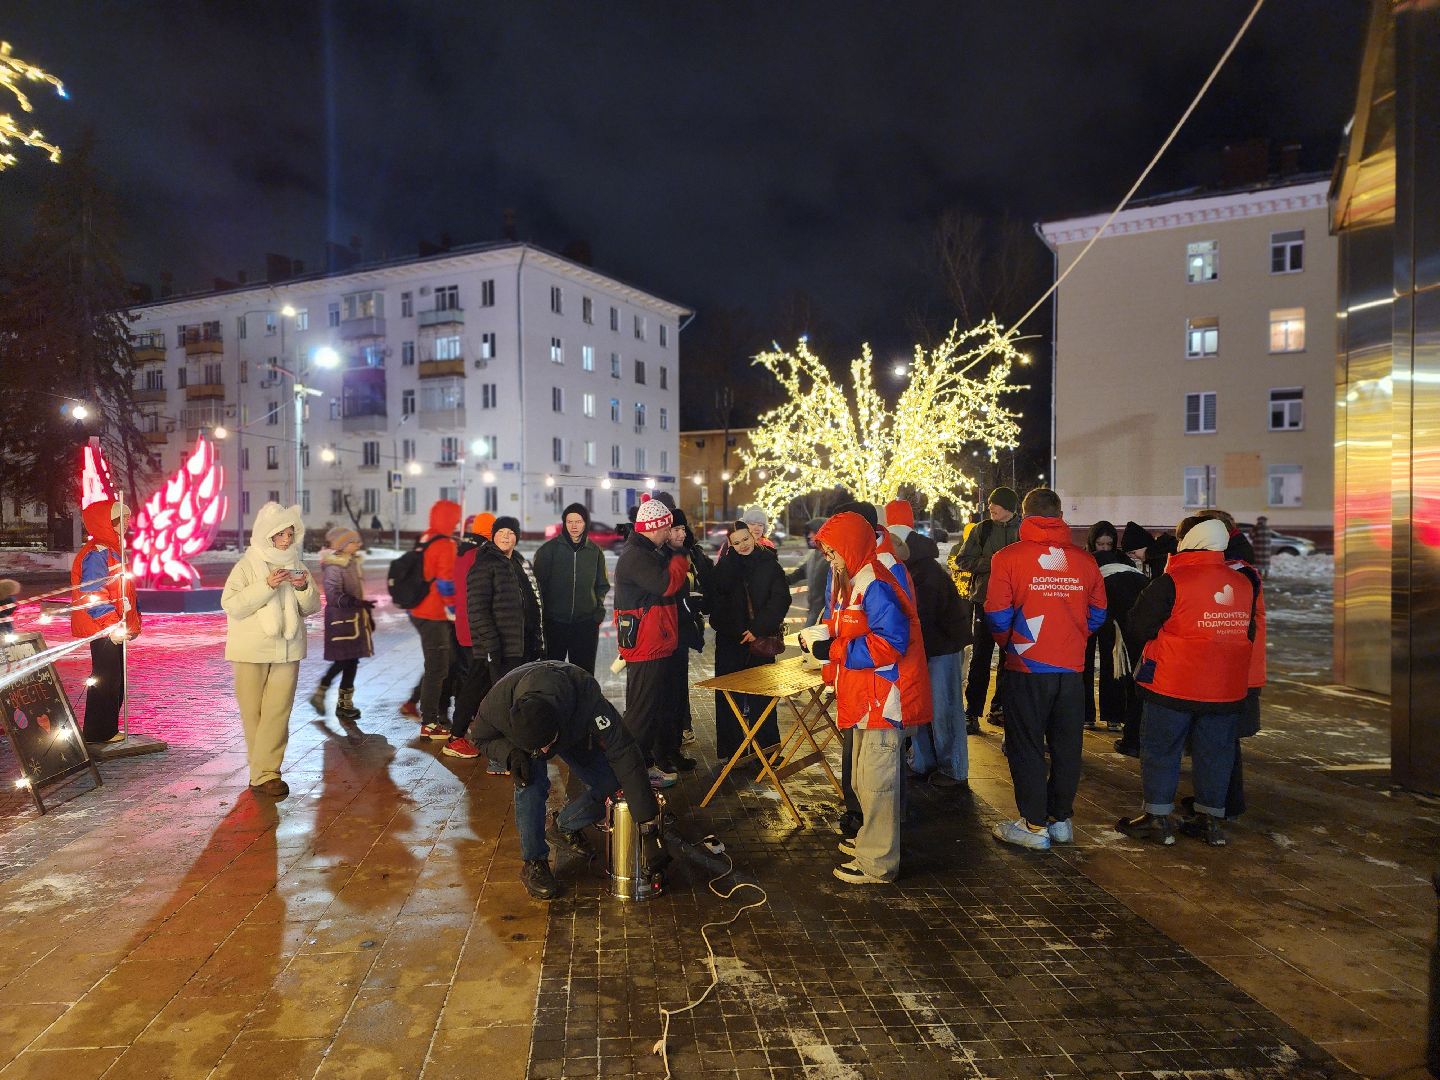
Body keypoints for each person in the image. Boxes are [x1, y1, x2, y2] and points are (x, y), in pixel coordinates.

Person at [470, 660, 667, 899]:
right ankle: (534, 862)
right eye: (538, 748)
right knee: (530, 783)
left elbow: (624, 751)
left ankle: (564, 827)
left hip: (573, 731)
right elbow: (480, 738)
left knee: (612, 782)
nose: (543, 754)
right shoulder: (498, 705)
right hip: (523, 744)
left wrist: (647, 827)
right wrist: (510, 754)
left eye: (546, 746)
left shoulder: (587, 699)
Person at [800, 511, 926, 884]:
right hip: (863, 697)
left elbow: (892, 643)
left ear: (850, 547)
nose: (829, 560)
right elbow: (852, 627)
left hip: (881, 700)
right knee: (862, 780)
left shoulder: (874, 583)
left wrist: (833, 651)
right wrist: (826, 640)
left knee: (877, 783)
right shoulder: (854, 580)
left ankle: (878, 862)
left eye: (832, 552)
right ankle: (870, 842)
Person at [1118, 517, 1259, 848]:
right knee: (1215, 752)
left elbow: (1138, 625)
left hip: (1173, 683)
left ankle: (1157, 818)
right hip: (1225, 687)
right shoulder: (1242, 583)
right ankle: (1210, 821)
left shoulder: (1172, 581)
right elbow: (1248, 631)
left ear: (1189, 542)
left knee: (1161, 749)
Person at [985, 488, 1106, 851]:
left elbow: (995, 612)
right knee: (1068, 745)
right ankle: (1060, 820)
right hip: (1071, 669)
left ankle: (1034, 824)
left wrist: (1012, 644)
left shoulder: (1008, 557)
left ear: (1024, 515)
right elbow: (1098, 612)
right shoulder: (1084, 561)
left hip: (1026, 667)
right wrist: (1072, 636)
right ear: (1060, 515)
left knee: (1026, 744)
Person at [221, 502, 320, 798]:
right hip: (250, 650)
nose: (287, 540)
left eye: (291, 533)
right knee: (254, 713)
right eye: (281, 534)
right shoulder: (247, 565)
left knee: (278, 712)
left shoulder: (297, 565)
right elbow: (232, 605)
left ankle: (268, 774)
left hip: (288, 649)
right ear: (267, 535)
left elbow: (312, 607)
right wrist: (266, 585)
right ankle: (261, 773)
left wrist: (303, 588)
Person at [613, 497, 690, 786]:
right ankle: (627, 774)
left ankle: (641, 767)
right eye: (666, 528)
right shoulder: (637, 555)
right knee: (641, 712)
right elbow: (668, 584)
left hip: (652, 641)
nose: (669, 534)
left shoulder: (645, 551)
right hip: (645, 643)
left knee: (646, 709)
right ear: (655, 527)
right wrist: (680, 553)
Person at [705, 520, 790, 761]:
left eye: (746, 539)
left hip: (761, 640)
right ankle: (732, 753)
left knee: (763, 696)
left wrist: (757, 628)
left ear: (754, 537)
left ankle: (767, 751)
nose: (743, 545)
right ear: (730, 544)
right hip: (731, 642)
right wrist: (737, 630)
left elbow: (780, 599)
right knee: (729, 697)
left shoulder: (769, 563)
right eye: (737, 542)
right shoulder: (723, 568)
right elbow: (715, 605)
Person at [465, 515, 545, 770]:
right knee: (501, 701)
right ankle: (499, 756)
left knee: (519, 698)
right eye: (501, 532)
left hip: (523, 644)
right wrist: (490, 644)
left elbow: (532, 601)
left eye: (511, 533)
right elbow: (477, 609)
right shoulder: (485, 563)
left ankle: (521, 748)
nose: (506, 537)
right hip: (500, 646)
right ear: (493, 535)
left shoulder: (519, 562)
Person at [902, 526, 973, 789]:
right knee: (923, 706)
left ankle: (953, 767)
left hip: (941, 648)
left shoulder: (925, 574)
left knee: (944, 708)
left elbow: (922, 616)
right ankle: (922, 761)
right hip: (927, 648)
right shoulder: (916, 569)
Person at [70, 498, 141, 744]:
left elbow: (123, 591)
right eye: (123, 519)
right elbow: (94, 592)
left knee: (113, 679)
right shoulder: (98, 553)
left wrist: (129, 621)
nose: (128, 523)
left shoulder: (112, 550)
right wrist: (111, 623)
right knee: (106, 679)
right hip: (104, 629)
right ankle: (99, 731)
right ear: (108, 522)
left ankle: (106, 728)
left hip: (113, 628)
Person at [955, 487, 1022, 731]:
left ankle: (1000, 707)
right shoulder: (981, 530)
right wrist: (993, 563)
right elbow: (963, 560)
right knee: (980, 657)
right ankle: (972, 712)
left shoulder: (1023, 531)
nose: (991, 508)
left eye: (997, 505)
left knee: (1010, 658)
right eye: (991, 504)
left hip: (1015, 603)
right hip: (984, 601)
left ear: (1010, 508)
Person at [533, 502, 610, 675]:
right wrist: (544, 617)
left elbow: (602, 585)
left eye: (579, 521)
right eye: (569, 521)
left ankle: (582, 702)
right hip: (555, 624)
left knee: (584, 674)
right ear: (564, 523)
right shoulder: (548, 550)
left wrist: (597, 612)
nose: (574, 526)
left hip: (585, 625)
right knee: (551, 674)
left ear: (586, 523)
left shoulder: (595, 552)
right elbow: (538, 588)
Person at [442, 514, 495, 761]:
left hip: (465, 627)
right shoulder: (480, 556)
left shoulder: (462, 553)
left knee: (478, 680)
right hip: (478, 630)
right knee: (476, 681)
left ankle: (472, 725)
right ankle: (457, 735)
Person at [407, 500, 461, 740]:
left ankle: (430, 716)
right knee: (438, 667)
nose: (457, 523)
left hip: (417, 610)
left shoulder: (426, 538)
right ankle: (429, 722)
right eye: (455, 519)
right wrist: (454, 610)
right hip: (433, 613)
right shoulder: (446, 545)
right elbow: (446, 583)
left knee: (439, 663)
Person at [309, 527, 373, 723]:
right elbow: (332, 594)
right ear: (343, 545)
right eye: (354, 542)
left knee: (352, 661)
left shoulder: (351, 563)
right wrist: (353, 602)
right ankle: (323, 693)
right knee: (344, 661)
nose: (359, 545)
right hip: (341, 620)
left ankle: (343, 704)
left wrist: (367, 615)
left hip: (354, 619)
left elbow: (357, 593)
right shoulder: (334, 566)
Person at [1082, 521, 1124, 732]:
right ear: (1092, 543)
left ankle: (1113, 714)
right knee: (1084, 665)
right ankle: (1086, 713)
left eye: (1109, 544)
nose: (1105, 549)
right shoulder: (1083, 559)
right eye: (1100, 544)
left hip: (1112, 617)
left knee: (1111, 664)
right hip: (1087, 616)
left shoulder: (1121, 560)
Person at [786, 518, 829, 627]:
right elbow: (799, 573)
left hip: (826, 618)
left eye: (813, 532)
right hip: (813, 613)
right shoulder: (814, 555)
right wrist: (780, 580)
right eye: (808, 532)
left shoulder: (832, 558)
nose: (809, 536)